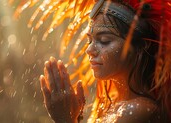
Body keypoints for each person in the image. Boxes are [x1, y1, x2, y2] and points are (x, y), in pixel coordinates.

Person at [38, 0, 171, 122]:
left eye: (104, 41)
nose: (89, 50)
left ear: (141, 46)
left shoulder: (138, 109)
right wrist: (75, 117)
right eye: (90, 40)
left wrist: (65, 119)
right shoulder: (115, 104)